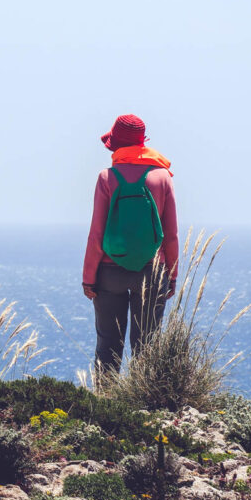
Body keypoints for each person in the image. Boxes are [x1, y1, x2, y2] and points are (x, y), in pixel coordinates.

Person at [82, 113, 179, 381]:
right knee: (146, 346)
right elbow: (170, 235)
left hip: (109, 272)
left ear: (116, 145)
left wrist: (89, 278)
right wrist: (171, 274)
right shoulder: (162, 176)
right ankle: (143, 407)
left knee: (108, 346)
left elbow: (96, 235)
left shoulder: (106, 177)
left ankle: (106, 404)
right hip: (152, 271)